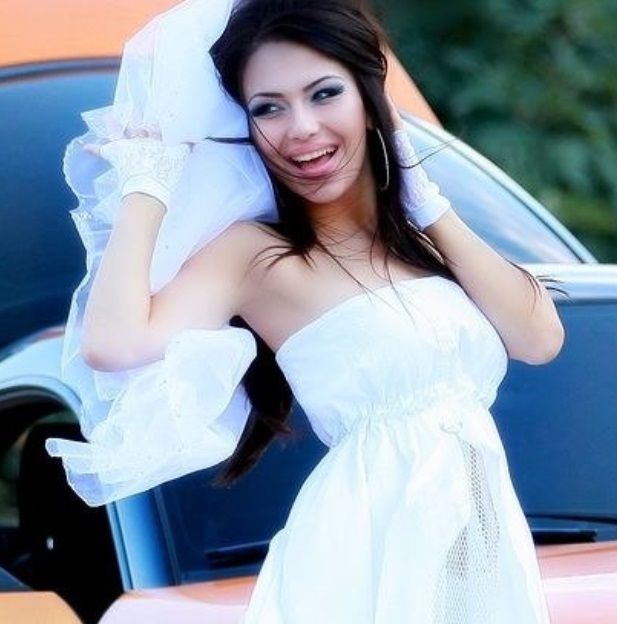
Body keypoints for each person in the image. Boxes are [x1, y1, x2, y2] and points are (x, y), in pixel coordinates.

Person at [46, 0, 564, 621]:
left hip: (481, 563)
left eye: (324, 94)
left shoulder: (420, 242)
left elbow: (539, 338)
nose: (301, 128)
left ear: (369, 94)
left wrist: (424, 200)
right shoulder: (255, 255)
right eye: (268, 108)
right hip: (366, 561)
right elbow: (112, 343)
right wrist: (146, 184)